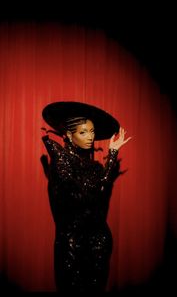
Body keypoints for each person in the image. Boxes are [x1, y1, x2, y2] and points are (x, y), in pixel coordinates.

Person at [41, 101, 131, 292]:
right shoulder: (61, 161)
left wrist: (113, 152)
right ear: (69, 136)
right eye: (83, 132)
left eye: (92, 131)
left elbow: (99, 193)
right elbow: (83, 195)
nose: (90, 137)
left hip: (99, 240)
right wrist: (111, 162)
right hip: (72, 243)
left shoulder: (96, 167)